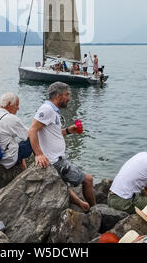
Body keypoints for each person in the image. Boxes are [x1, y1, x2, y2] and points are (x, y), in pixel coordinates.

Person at [29, 82, 96, 212]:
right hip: (55, 160)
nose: (69, 97)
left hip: (56, 159)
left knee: (62, 183)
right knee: (88, 180)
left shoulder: (52, 110)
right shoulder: (47, 109)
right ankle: (95, 210)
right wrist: (39, 154)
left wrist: (68, 131)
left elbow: (52, 133)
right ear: (58, 96)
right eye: (67, 94)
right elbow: (32, 130)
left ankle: (81, 204)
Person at [0, 92, 33, 170]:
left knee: (12, 141)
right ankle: (40, 159)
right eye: (17, 105)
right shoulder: (12, 119)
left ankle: (23, 166)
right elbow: (28, 134)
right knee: (33, 137)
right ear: (9, 104)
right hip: (6, 159)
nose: (18, 108)